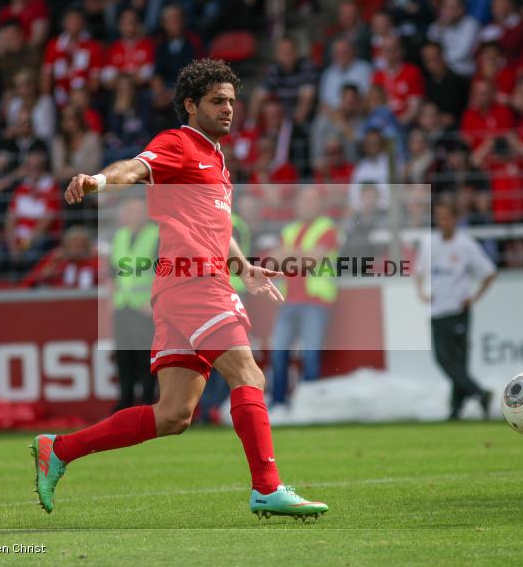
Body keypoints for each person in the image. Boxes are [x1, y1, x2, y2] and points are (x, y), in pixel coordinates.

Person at [34, 58, 328, 520]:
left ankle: (61, 449)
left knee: (173, 414)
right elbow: (134, 168)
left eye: (232, 101)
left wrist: (244, 265)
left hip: (182, 287)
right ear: (191, 105)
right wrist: (98, 181)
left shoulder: (217, 158)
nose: (229, 109)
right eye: (217, 101)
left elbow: (217, 224)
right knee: (249, 375)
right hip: (193, 282)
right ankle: (267, 488)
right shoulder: (178, 143)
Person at [415, 198, 495, 421]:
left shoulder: (465, 245)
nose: (442, 222)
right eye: (439, 217)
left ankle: (457, 407)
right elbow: (419, 271)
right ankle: (477, 394)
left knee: (456, 362)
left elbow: (489, 272)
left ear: (456, 219)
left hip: (458, 310)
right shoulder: (429, 243)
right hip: (437, 310)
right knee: (443, 358)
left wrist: (474, 297)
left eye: (446, 217)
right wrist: (421, 292)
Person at [269, 187, 338, 408]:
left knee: (310, 355)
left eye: (311, 201)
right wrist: (301, 254)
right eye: (304, 201)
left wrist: (290, 253)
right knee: (278, 352)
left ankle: (309, 406)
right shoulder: (290, 229)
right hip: (289, 300)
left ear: (319, 205)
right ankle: (279, 403)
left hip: (316, 301)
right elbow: (273, 260)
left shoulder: (327, 228)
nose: (307, 205)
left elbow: (313, 261)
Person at [109, 195, 158, 412]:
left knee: (145, 359)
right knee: (124, 358)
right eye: (130, 212)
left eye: (138, 212)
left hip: (144, 308)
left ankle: (148, 402)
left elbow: (164, 271)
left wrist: (154, 302)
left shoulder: (156, 235)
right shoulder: (120, 236)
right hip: (123, 306)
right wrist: (112, 299)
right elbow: (112, 272)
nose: (134, 216)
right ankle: (125, 402)